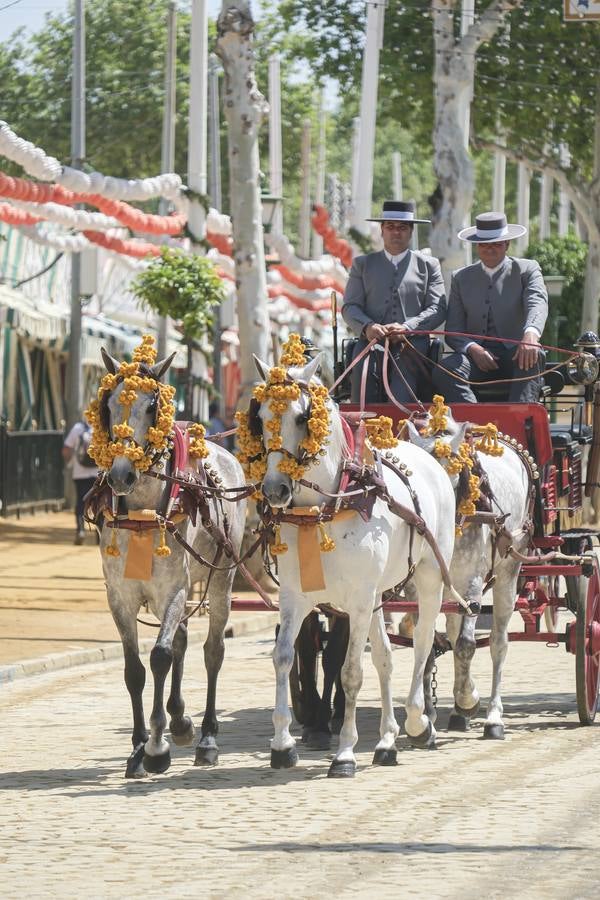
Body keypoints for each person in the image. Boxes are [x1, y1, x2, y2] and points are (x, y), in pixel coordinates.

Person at [432, 211, 548, 404]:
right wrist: (472, 348)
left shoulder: (527, 269)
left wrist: (531, 334)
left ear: (507, 244)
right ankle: (476, 424)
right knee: (444, 370)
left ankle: (519, 424)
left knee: (533, 356)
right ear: (477, 246)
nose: (490, 249)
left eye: (496, 243)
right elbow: (453, 330)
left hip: (517, 354)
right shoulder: (461, 278)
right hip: (475, 359)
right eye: (484, 244)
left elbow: (537, 301)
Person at [341, 199, 446, 403]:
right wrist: (368, 327)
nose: (396, 232)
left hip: (413, 345)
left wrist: (408, 327)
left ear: (411, 231)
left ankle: (400, 427)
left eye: (402, 227)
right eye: (390, 226)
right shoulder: (362, 265)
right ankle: (362, 427)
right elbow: (349, 306)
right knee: (363, 372)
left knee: (403, 385)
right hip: (370, 343)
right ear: (382, 230)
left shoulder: (429, 265)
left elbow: (438, 308)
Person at [62, 420, 99, 545]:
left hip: (79, 473)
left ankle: (80, 531)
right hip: (99, 474)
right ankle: (99, 534)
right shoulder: (102, 426)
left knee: (81, 503)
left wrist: (69, 463)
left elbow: (66, 449)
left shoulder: (78, 428)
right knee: (99, 504)